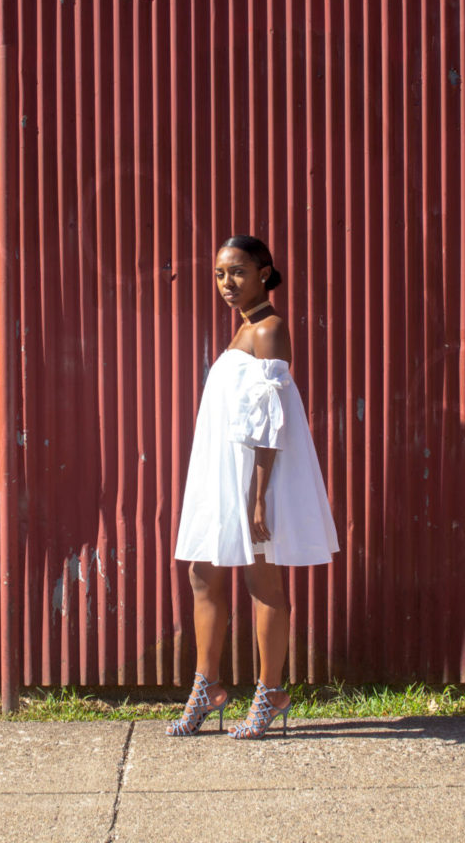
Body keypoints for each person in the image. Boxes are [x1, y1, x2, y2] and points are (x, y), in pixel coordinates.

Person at [167, 235, 340, 739]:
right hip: (225, 471)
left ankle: (271, 692)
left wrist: (258, 495)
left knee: (262, 581)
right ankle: (209, 687)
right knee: (204, 572)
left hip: (255, 476)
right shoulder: (244, 329)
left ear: (264, 272)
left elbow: (272, 420)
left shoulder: (269, 330)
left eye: (238, 272)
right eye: (220, 273)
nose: (227, 283)